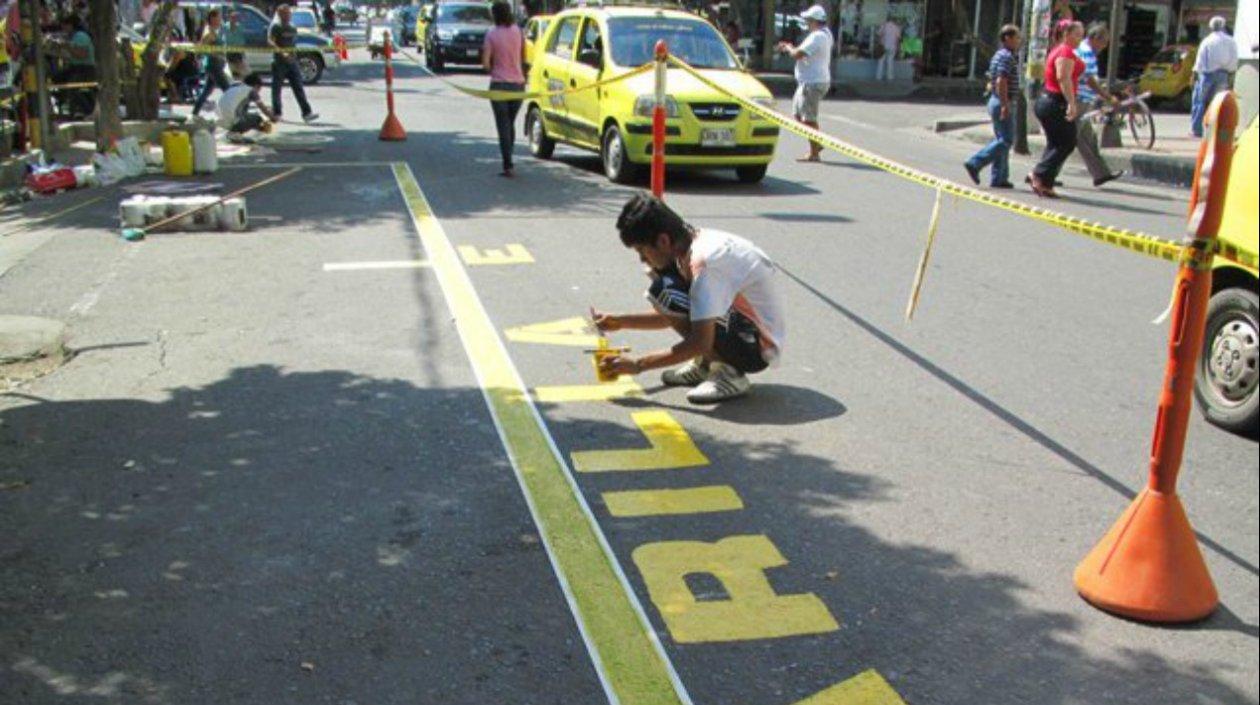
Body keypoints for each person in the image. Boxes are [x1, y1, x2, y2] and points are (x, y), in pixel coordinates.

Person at [593, 193, 785, 404]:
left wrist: (638, 365)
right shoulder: (689, 244)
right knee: (666, 288)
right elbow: (674, 314)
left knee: (665, 289)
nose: (641, 258)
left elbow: (700, 341)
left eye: (642, 250)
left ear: (663, 241)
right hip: (741, 328)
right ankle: (706, 365)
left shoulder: (704, 262)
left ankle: (728, 374)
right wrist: (620, 321)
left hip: (755, 347)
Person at [1028, 20, 1084, 198]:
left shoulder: (1060, 50)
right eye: (1076, 35)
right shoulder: (1064, 51)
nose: (1079, 39)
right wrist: (1071, 103)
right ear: (1066, 34)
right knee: (1067, 142)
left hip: (1049, 101)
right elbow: (1063, 78)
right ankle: (1038, 173)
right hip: (1055, 102)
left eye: (1081, 35)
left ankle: (1045, 183)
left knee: (1055, 142)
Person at [964, 24, 1020, 189]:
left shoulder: (1000, 54)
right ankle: (975, 162)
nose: (1019, 41)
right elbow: (1001, 80)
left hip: (997, 99)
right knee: (1006, 140)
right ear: (1007, 38)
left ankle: (999, 177)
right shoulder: (1006, 57)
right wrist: (1005, 104)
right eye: (1016, 37)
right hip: (1002, 100)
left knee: (1001, 139)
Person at [777, 4, 832, 162]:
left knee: (808, 118)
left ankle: (814, 151)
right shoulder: (825, 34)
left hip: (813, 82)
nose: (807, 23)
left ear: (815, 21)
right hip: (809, 81)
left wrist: (788, 48)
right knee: (797, 115)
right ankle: (816, 143)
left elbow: (798, 54)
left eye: (809, 20)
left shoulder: (818, 37)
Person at [1073, 22, 1123, 187]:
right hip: (1079, 100)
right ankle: (1044, 173)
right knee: (1067, 139)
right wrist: (1108, 97)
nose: (1104, 46)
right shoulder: (1086, 52)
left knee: (1088, 138)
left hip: (1084, 100)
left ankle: (1101, 173)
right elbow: (1089, 80)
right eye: (1104, 42)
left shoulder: (1084, 50)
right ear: (1094, 38)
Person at [482, 0, 525, 177]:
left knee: (503, 126)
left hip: (499, 85)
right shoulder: (518, 31)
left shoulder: (491, 34)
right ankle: (510, 158)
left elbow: (485, 63)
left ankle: (508, 164)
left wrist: (492, 68)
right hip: (518, 86)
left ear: (495, 15)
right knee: (510, 123)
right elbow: (522, 57)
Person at [269, 4, 318, 123]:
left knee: (298, 87)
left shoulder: (292, 27)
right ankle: (277, 113)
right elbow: (270, 41)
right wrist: (282, 52)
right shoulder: (276, 27)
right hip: (279, 62)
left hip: (292, 62)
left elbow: (294, 44)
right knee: (277, 89)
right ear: (280, 14)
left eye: (288, 13)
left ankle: (306, 113)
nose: (287, 15)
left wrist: (294, 56)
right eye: (284, 13)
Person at [1190, 16, 1237, 138]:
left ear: (1211, 27)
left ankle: (1197, 130)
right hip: (1223, 75)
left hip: (1207, 75)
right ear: (1223, 26)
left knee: (1200, 102)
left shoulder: (1207, 41)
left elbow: (1200, 60)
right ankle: (1215, 131)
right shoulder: (1231, 41)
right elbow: (1233, 59)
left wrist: (1194, 74)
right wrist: (1231, 73)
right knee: (1217, 103)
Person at [191, 9, 230, 117]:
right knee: (228, 91)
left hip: (217, 65)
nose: (220, 20)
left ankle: (194, 113)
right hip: (213, 66)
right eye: (218, 17)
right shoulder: (208, 33)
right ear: (212, 19)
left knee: (205, 92)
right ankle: (234, 114)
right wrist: (212, 54)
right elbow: (200, 49)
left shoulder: (216, 31)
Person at [218, 72, 276, 138]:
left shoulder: (235, 86)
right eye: (259, 89)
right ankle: (234, 132)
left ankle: (234, 130)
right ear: (256, 86)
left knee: (248, 115)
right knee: (258, 118)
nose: (258, 92)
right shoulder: (251, 91)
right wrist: (272, 118)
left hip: (220, 119)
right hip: (231, 120)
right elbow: (263, 108)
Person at [877, 16, 900, 81]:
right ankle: (890, 76)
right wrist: (897, 47)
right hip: (892, 47)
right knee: (890, 62)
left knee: (881, 61)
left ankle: (879, 76)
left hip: (883, 46)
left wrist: (880, 42)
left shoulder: (883, 26)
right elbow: (897, 39)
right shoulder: (896, 27)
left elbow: (879, 35)